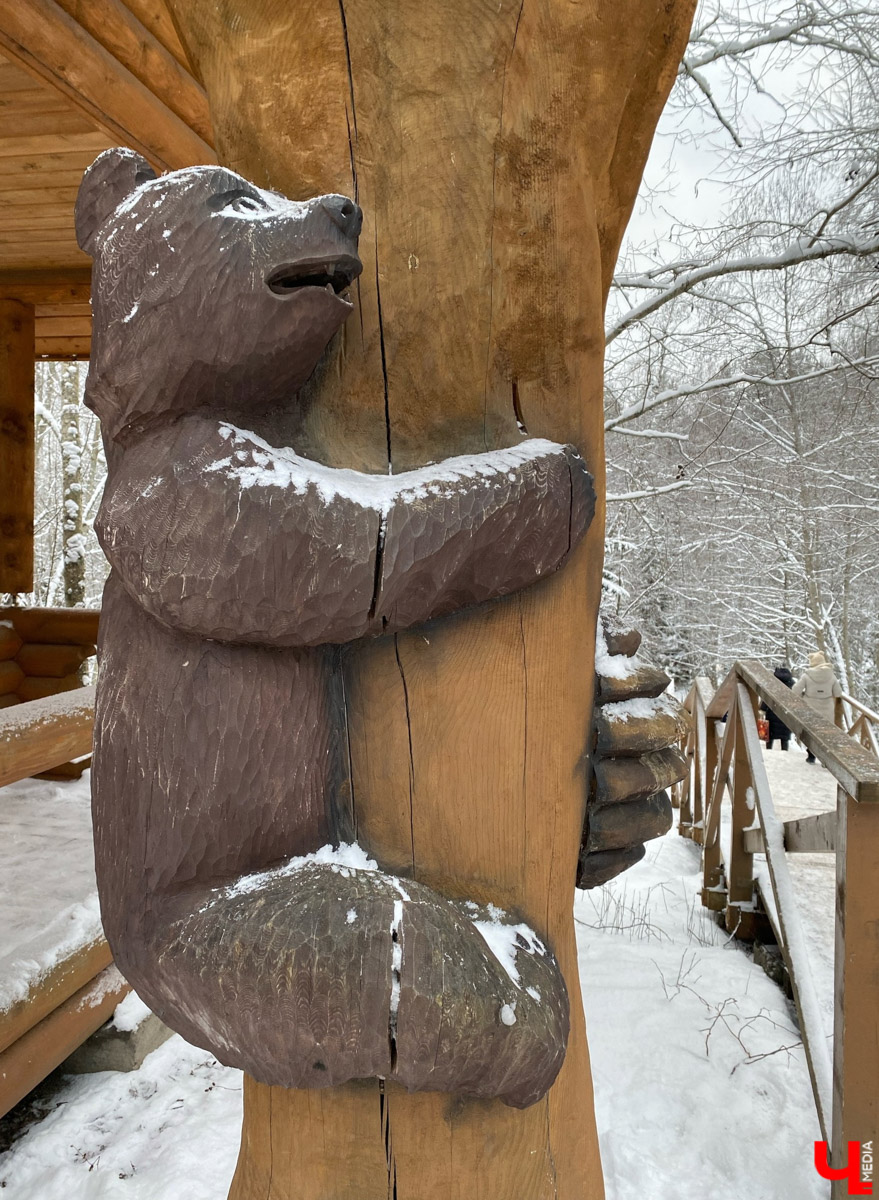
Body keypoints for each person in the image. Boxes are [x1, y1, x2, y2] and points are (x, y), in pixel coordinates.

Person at [793, 651, 842, 763]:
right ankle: (826, 759)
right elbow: (838, 693)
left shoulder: (807, 675)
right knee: (825, 734)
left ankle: (811, 755)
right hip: (827, 709)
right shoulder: (831, 676)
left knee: (811, 732)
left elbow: (795, 690)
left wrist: (803, 696)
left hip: (810, 707)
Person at [762, 664, 794, 750]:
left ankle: (769, 749)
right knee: (784, 734)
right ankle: (785, 749)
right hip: (786, 712)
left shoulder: (772, 683)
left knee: (771, 732)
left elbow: (767, 696)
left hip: (772, 710)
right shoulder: (792, 684)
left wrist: (762, 708)